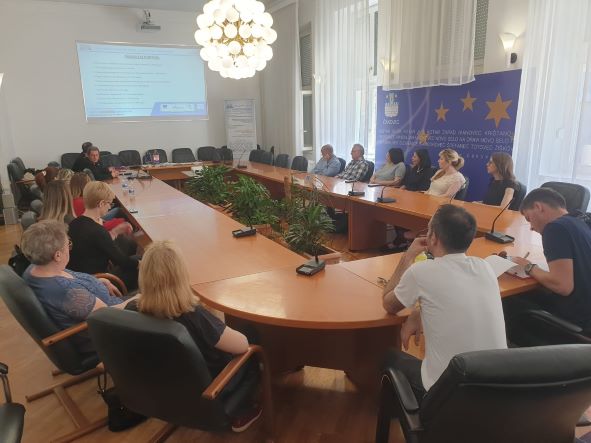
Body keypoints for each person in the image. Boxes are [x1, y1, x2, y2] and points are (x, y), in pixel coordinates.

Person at [126, 240, 262, 432]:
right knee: (251, 335)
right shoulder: (192, 315)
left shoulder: (133, 311)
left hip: (168, 388)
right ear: (181, 275)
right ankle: (241, 410)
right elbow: (242, 345)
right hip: (212, 389)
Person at [382, 204, 507, 399]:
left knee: (387, 356)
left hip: (449, 396)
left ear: (433, 238)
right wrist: (419, 312)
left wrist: (407, 256)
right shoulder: (485, 267)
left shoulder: (421, 272)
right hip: (499, 390)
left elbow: (388, 304)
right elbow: (456, 299)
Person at [21, 220, 137, 354]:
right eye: (68, 245)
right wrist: (140, 299)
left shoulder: (37, 268)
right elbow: (106, 315)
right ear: (57, 255)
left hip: (111, 309)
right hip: (109, 331)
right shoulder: (66, 292)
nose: (69, 248)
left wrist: (97, 281)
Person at [504, 188, 591, 346]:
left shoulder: (555, 228)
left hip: (577, 321)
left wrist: (528, 267)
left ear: (539, 207)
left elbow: (563, 286)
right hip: (586, 309)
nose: (531, 227)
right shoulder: (580, 222)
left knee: (507, 300)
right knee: (529, 293)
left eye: (529, 218)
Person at [68, 181, 139, 290]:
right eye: (109, 203)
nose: (110, 207)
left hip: (79, 279)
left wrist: (114, 232)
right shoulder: (98, 231)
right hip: (98, 283)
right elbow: (123, 262)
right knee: (138, 261)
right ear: (101, 204)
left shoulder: (73, 223)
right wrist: (142, 263)